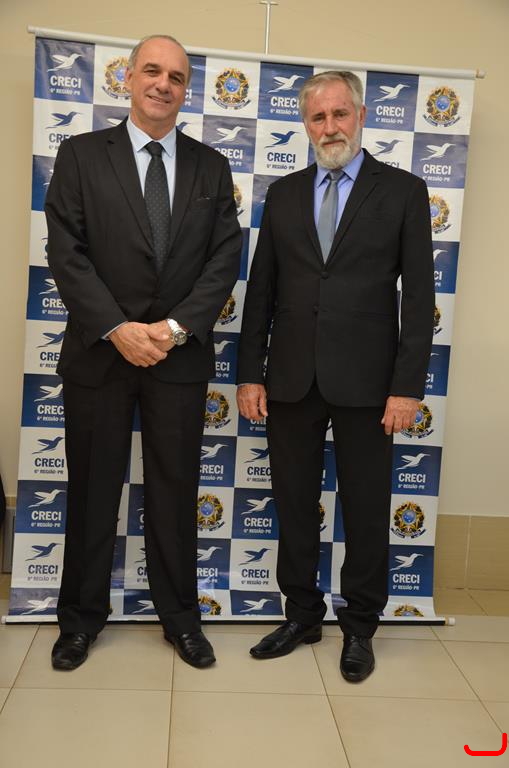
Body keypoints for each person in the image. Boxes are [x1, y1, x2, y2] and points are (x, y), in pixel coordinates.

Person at [45, 34, 241, 670]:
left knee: (175, 493)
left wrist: (175, 329)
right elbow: (65, 250)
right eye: (152, 71)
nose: (163, 84)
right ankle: (79, 621)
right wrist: (117, 328)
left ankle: (180, 619)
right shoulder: (80, 155)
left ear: (187, 90)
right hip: (100, 355)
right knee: (93, 490)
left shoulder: (212, 167)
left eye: (176, 77)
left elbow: (224, 257)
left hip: (177, 358)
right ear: (126, 78)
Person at [237, 71, 434, 682]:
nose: (330, 127)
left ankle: (361, 627)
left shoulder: (403, 191)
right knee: (294, 504)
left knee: (367, 509)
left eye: (340, 114)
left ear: (362, 116)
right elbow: (262, 290)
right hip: (291, 379)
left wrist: (407, 387)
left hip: (370, 386)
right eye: (318, 117)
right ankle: (301, 615)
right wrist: (250, 375)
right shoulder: (284, 194)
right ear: (305, 124)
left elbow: (419, 298)